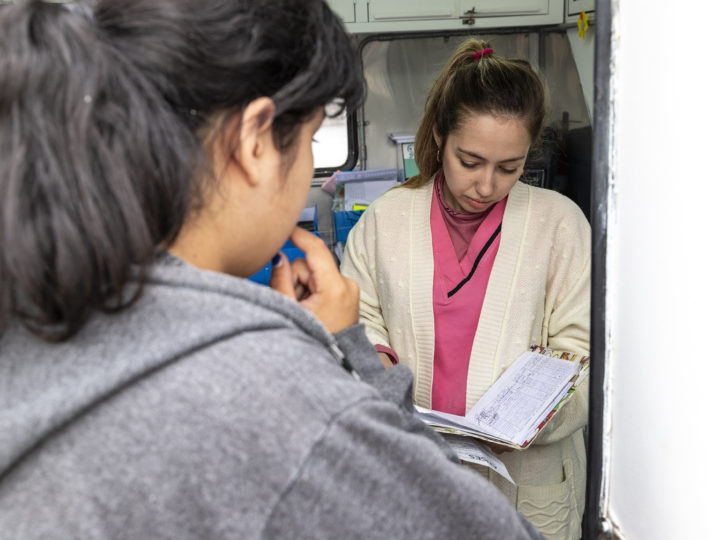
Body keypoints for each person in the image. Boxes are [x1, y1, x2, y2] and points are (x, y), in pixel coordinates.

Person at [0, 2, 546, 539]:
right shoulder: (290, 400)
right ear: (255, 139)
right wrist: (351, 356)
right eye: (310, 140)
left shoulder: (40, 300)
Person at [341, 39, 590, 540]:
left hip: (527, 482)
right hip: (417, 466)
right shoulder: (387, 218)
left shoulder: (559, 224)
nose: (486, 185)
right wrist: (379, 366)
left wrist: (526, 421)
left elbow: (583, 351)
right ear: (438, 137)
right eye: (469, 161)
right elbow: (357, 316)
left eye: (509, 167)